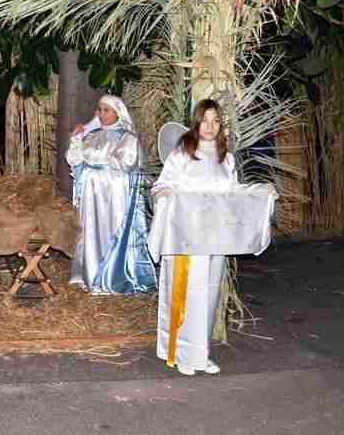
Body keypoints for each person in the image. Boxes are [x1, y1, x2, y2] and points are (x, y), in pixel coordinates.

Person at [151, 99, 237, 376]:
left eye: (216, 121)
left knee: (208, 295)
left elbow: (233, 195)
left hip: (215, 238)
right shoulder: (182, 154)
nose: (210, 127)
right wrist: (164, 194)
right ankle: (183, 354)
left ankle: (201, 353)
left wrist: (258, 195)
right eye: (205, 121)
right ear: (196, 122)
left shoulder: (227, 159)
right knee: (187, 294)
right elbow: (161, 185)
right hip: (186, 238)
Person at [65, 95, 157, 294]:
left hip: (114, 191)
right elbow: (75, 159)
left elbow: (125, 162)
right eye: (100, 110)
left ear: (118, 113)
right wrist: (77, 139)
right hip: (91, 192)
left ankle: (112, 275)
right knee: (90, 229)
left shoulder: (127, 137)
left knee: (111, 227)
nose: (102, 114)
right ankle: (89, 274)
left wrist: (98, 162)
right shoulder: (91, 135)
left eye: (107, 110)